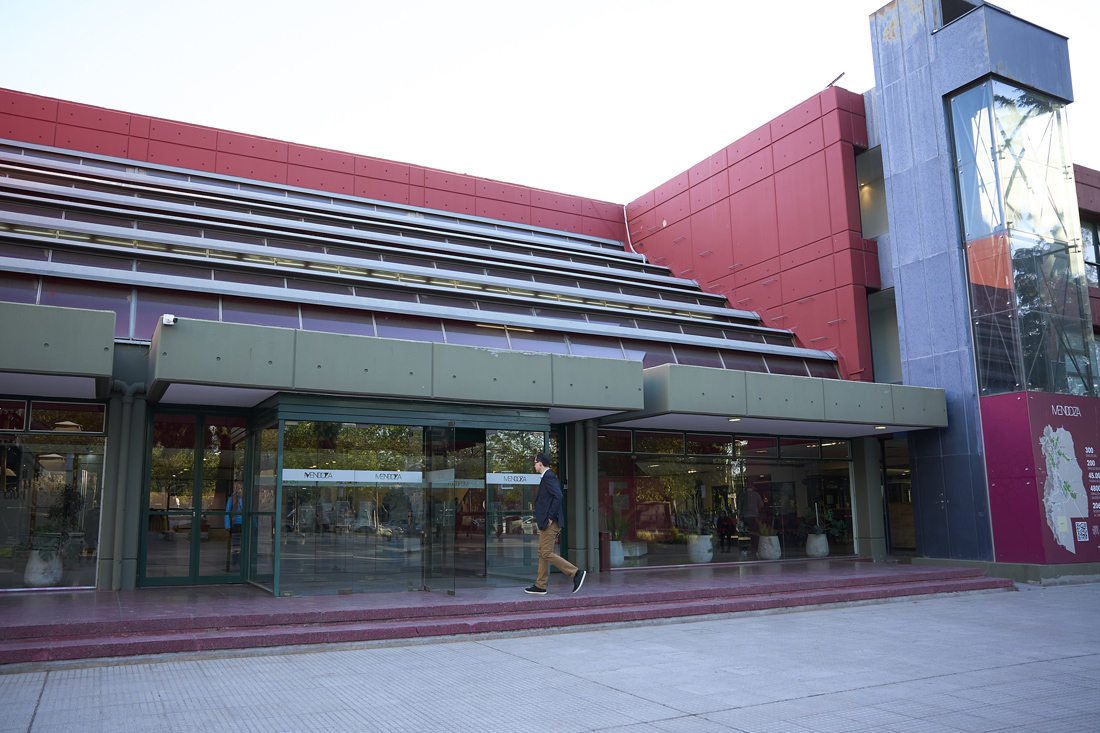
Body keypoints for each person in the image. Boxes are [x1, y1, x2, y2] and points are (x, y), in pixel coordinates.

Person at [525, 452, 586, 595]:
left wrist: (550, 518)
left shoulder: (549, 476)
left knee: (546, 552)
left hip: (551, 523)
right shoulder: (547, 477)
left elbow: (558, 496)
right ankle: (540, 585)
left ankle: (576, 573)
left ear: (540, 463)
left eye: (535, 462)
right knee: (542, 552)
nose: (534, 465)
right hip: (547, 523)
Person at [739, 484, 764, 557]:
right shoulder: (756, 495)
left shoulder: (742, 495)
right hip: (754, 516)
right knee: (755, 534)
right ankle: (755, 549)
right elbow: (761, 505)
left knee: (745, 534)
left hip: (745, 516)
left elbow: (739, 506)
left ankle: (745, 550)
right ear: (753, 487)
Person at [224, 481, 243, 569]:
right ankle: (235, 561)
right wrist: (227, 526)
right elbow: (227, 512)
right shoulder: (232, 498)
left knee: (244, 544)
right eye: (239, 488)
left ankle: (242, 560)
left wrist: (255, 524)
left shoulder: (247, 498)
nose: (240, 489)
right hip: (235, 524)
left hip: (245, 524)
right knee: (235, 544)